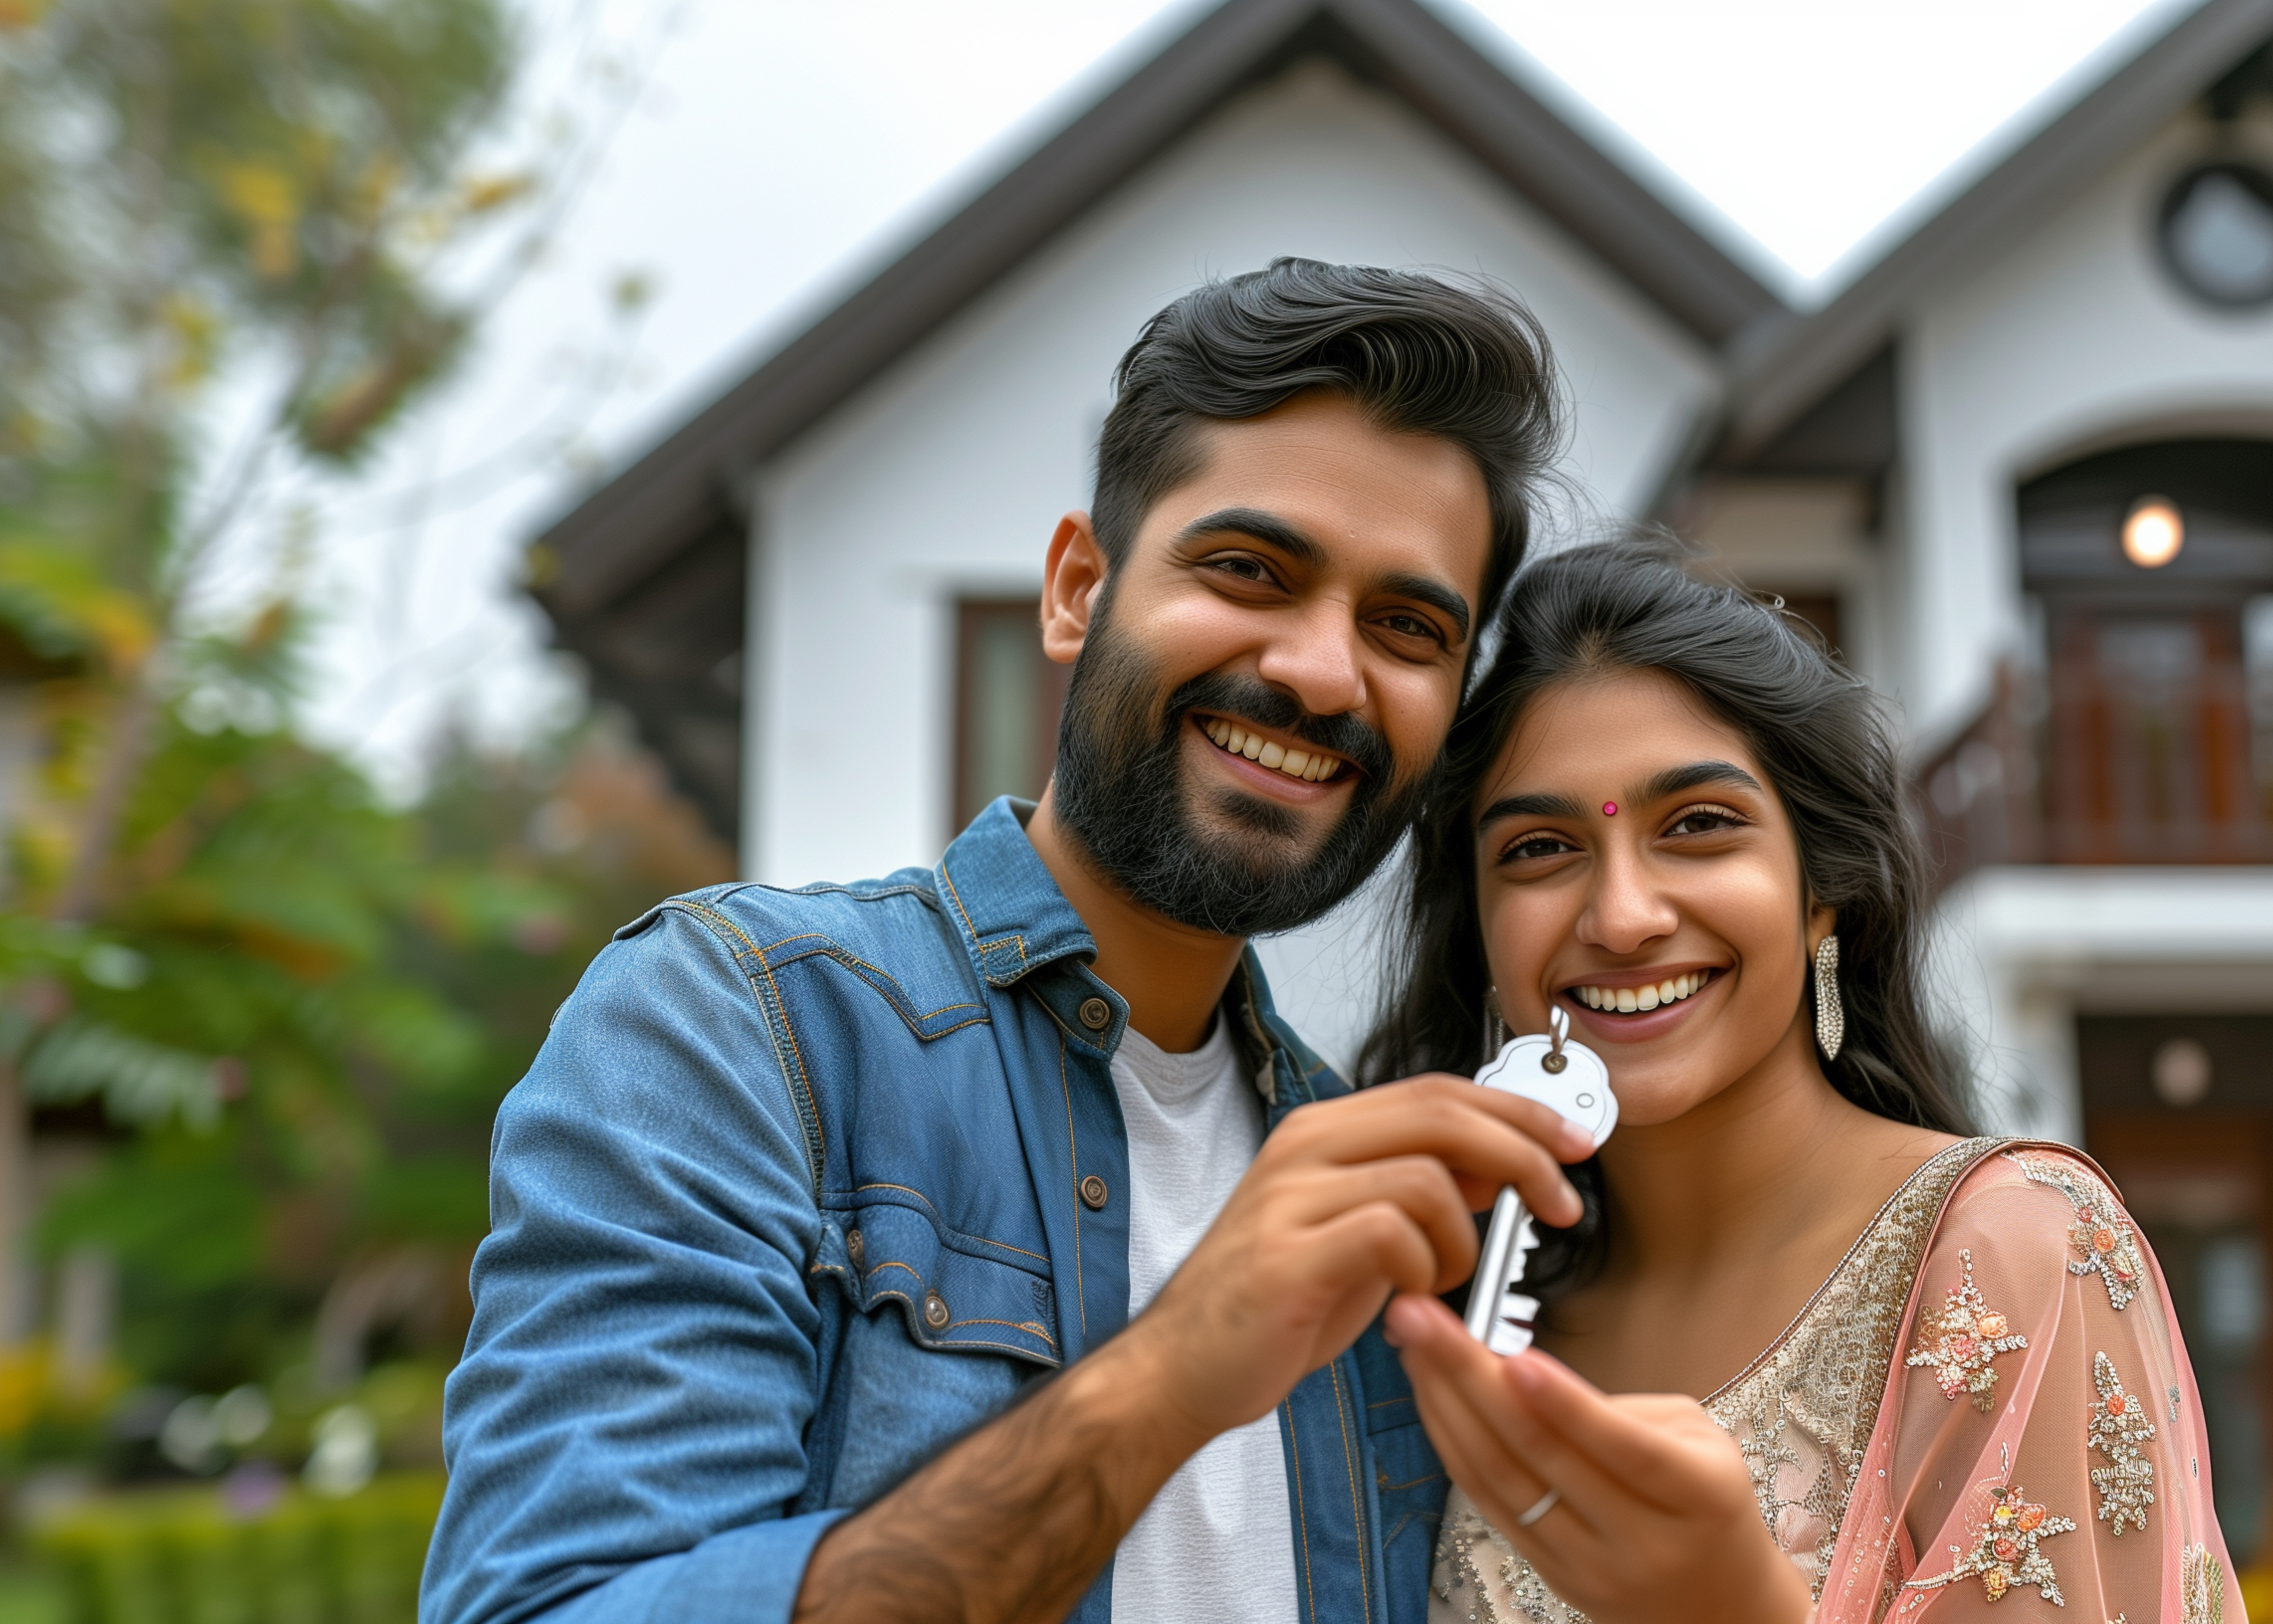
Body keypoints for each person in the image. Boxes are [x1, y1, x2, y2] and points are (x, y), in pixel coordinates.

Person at [423, 259, 1600, 1624]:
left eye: (1406, 628)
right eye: (1247, 569)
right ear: (1076, 592)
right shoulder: (735, 1028)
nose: (1322, 671)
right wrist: (1168, 1379)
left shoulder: (1403, 1209)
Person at [1361, 541, 2246, 1624]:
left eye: (1696, 826)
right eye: (1540, 849)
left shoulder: (2013, 1253)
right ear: (1483, 937)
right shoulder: (1481, 1302)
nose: (1622, 917)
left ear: (1822, 891)